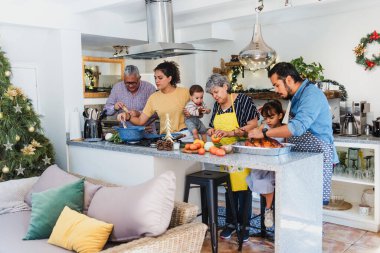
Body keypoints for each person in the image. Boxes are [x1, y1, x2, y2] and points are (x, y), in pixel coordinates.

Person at [248, 62, 338, 205]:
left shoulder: (311, 95)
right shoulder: (296, 97)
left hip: (316, 157)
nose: (276, 90)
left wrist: (265, 133)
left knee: (310, 208)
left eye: (277, 85)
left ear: (289, 79)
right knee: (297, 207)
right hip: (301, 157)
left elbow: (297, 127)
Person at [205, 73, 259, 242]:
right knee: (229, 189)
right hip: (225, 153)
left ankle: (244, 227)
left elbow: (253, 124)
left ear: (225, 87)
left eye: (216, 92)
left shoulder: (243, 100)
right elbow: (212, 126)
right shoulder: (217, 105)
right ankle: (230, 224)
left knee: (243, 190)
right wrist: (212, 131)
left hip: (241, 151)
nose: (215, 96)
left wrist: (230, 132)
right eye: (212, 94)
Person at [117, 61, 190, 134]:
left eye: (160, 78)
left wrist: (196, 112)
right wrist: (128, 117)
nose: (156, 81)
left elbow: (199, 112)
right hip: (166, 138)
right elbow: (140, 121)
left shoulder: (185, 93)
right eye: (155, 78)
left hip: (185, 136)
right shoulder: (154, 97)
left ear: (169, 78)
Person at [246, 100, 285, 228]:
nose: (268, 120)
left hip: (276, 167)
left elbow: (286, 147)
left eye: (271, 117)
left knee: (267, 182)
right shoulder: (264, 127)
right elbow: (251, 136)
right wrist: (254, 133)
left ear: (280, 115)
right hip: (261, 164)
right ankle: (271, 200)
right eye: (265, 118)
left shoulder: (284, 129)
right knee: (255, 179)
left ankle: (268, 209)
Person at [104, 65, 157, 132]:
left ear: (139, 78)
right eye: (127, 83)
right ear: (124, 79)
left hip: (147, 132)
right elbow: (106, 111)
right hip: (126, 134)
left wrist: (139, 113)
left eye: (133, 83)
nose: (130, 86)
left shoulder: (150, 88)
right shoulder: (117, 88)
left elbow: (157, 112)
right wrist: (114, 107)